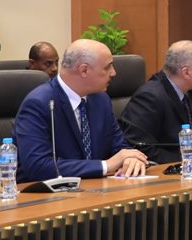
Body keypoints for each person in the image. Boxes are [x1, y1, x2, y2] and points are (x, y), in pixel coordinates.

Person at [14, 40, 147, 181]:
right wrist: (105, 166)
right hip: (47, 192)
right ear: (84, 70)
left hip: (97, 188)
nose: (113, 73)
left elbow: (120, 147)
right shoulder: (39, 104)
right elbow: (38, 166)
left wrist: (130, 159)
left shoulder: (101, 100)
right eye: (107, 67)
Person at [119, 41, 192, 164]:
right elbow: (141, 147)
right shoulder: (149, 97)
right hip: (167, 169)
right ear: (186, 72)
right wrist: (188, 160)